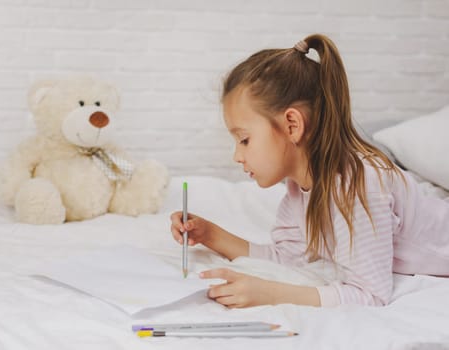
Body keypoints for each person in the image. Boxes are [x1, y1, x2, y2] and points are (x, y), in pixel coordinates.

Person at [169, 33, 449, 308]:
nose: (237, 156)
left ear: (292, 125)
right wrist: (210, 235)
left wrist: (271, 293)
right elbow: (286, 258)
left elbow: (370, 295)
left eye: (244, 140)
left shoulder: (358, 186)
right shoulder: (299, 190)